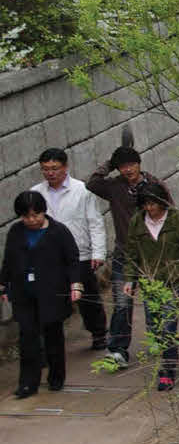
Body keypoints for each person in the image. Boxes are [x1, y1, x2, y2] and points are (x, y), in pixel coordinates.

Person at [122, 181, 179, 392]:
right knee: (154, 326)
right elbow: (131, 252)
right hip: (150, 282)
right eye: (146, 204)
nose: (150, 209)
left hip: (173, 279)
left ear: (162, 201)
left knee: (168, 324)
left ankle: (167, 371)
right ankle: (170, 351)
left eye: (153, 204)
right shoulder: (137, 223)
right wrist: (129, 279)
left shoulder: (177, 220)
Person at [4, 190, 82, 397]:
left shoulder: (59, 232)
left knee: (52, 335)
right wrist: (4, 284)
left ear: (43, 212)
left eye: (35, 215)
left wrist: (75, 285)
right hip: (24, 293)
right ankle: (28, 383)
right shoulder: (16, 232)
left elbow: (72, 260)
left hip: (51, 292)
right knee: (27, 337)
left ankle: (56, 377)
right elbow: (8, 260)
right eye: (26, 216)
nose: (31, 220)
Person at [28, 147, 105, 351]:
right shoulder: (36, 193)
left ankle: (98, 333)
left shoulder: (82, 190)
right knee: (49, 299)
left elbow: (95, 222)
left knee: (87, 296)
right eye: (45, 169)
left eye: (54, 168)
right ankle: (50, 343)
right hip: (49, 257)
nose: (50, 173)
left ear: (65, 167)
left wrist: (98, 252)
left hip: (80, 252)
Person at [88, 145, 150, 371]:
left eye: (131, 164)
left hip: (151, 255)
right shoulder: (114, 187)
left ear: (139, 164)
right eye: (122, 166)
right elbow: (92, 183)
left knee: (154, 301)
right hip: (124, 254)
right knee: (122, 303)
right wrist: (110, 164)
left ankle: (160, 341)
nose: (128, 170)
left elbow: (170, 215)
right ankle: (118, 350)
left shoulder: (153, 185)